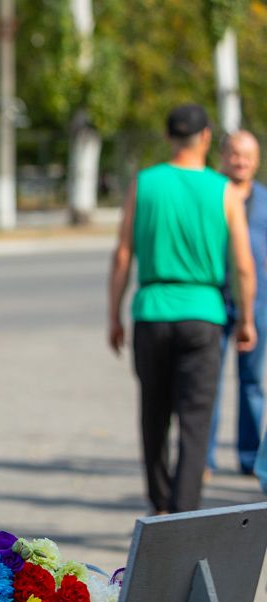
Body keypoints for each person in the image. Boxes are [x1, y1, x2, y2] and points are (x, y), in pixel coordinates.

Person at [108, 103, 256, 515]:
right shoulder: (223, 189)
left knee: (154, 417)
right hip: (204, 311)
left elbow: (123, 254)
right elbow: (243, 264)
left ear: (169, 137)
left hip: (152, 310)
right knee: (195, 422)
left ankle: (159, 506)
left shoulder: (145, 183)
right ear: (206, 137)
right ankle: (185, 515)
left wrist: (113, 315)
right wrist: (245, 320)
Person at [207, 131, 267, 476]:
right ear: (222, 156)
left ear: (256, 160)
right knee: (208, 384)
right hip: (215, 299)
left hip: (257, 303)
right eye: (234, 154)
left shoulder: (264, 200)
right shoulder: (211, 195)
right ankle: (205, 459)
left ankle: (250, 458)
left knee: (253, 383)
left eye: (247, 155)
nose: (240, 161)